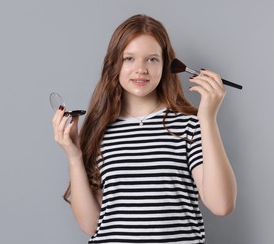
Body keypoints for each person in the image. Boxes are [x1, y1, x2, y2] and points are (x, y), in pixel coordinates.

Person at [52, 14, 237, 244]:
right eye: (129, 58)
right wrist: (73, 156)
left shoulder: (190, 126)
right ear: (115, 64)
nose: (141, 69)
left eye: (151, 59)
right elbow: (92, 225)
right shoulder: (99, 130)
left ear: (167, 64)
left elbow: (222, 205)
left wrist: (207, 119)